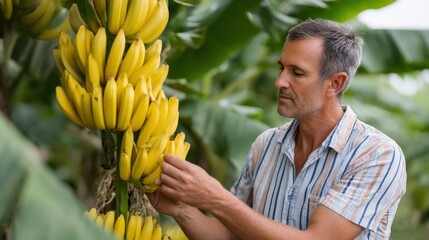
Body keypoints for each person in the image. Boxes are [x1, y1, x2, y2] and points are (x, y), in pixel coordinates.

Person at [147, 19, 407, 240]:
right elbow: (232, 234)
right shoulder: (266, 145)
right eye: (282, 68)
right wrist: (182, 210)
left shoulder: (377, 154)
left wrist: (216, 198)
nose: (279, 81)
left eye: (297, 73)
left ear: (335, 84)